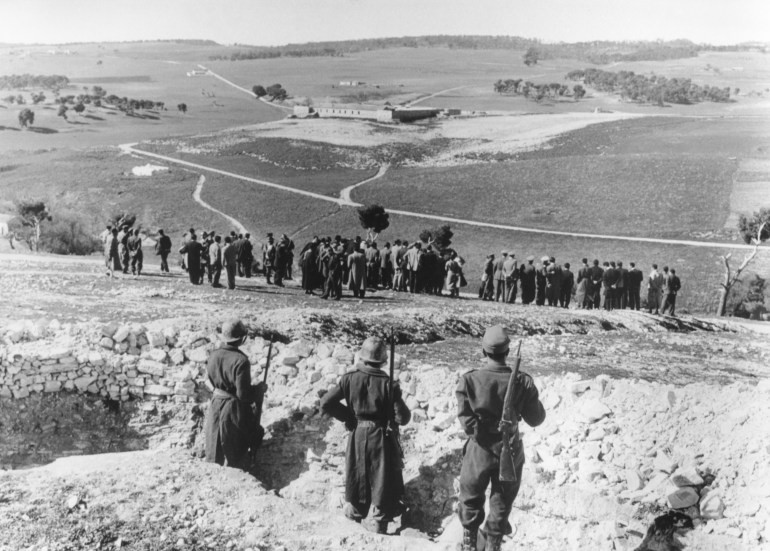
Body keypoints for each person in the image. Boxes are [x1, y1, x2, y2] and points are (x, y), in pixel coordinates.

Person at [456, 326, 546, 551]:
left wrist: (484, 433)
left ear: (484, 351)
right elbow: (536, 419)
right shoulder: (523, 382)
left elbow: (467, 422)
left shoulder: (469, 380)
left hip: (479, 449)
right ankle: (493, 544)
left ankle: (469, 544)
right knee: (502, 502)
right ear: (507, 352)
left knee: (470, 497)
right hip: (511, 449)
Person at [320, 337, 411, 535]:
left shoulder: (349, 378)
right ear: (383, 360)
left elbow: (326, 403)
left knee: (357, 476)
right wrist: (395, 396)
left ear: (362, 357)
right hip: (381, 437)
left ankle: (353, 527)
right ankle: (380, 528)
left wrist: (349, 418)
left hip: (358, 434)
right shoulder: (388, 384)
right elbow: (403, 418)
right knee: (382, 480)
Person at [204, 319, 267, 470]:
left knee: (214, 439)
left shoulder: (213, 355)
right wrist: (259, 389)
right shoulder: (241, 360)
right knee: (236, 444)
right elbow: (243, 395)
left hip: (215, 403)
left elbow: (211, 381)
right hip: (232, 408)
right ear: (241, 339)